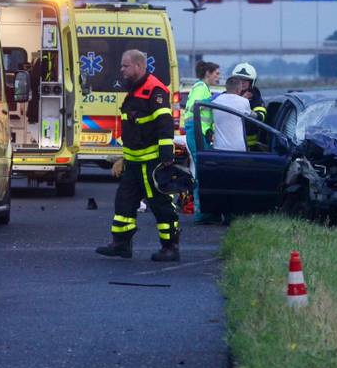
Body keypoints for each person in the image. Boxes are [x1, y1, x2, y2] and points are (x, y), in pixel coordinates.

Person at [96, 50, 180, 262]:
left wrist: (166, 156)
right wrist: (122, 158)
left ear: (139, 66)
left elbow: (164, 125)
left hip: (151, 163)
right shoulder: (134, 91)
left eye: (125, 66)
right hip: (133, 163)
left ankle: (170, 247)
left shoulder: (155, 91)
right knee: (124, 203)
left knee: (160, 205)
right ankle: (121, 244)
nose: (121, 70)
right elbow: (133, 131)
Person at [183, 61, 220, 224]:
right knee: (202, 172)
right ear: (208, 74)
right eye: (217, 73)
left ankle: (203, 210)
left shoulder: (203, 88)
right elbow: (199, 106)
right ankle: (201, 213)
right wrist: (218, 99)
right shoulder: (200, 88)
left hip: (199, 132)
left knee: (203, 171)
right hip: (196, 132)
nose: (219, 77)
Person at [208, 77, 254, 152]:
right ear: (239, 89)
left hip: (219, 147)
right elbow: (251, 115)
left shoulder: (215, 101)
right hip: (238, 149)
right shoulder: (244, 102)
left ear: (226, 88)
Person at [230, 62, 266, 149]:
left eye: (245, 80)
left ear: (251, 82)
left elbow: (261, 116)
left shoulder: (255, 97)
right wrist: (241, 99)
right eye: (239, 80)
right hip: (228, 144)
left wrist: (245, 107)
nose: (242, 83)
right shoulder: (226, 95)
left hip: (249, 147)